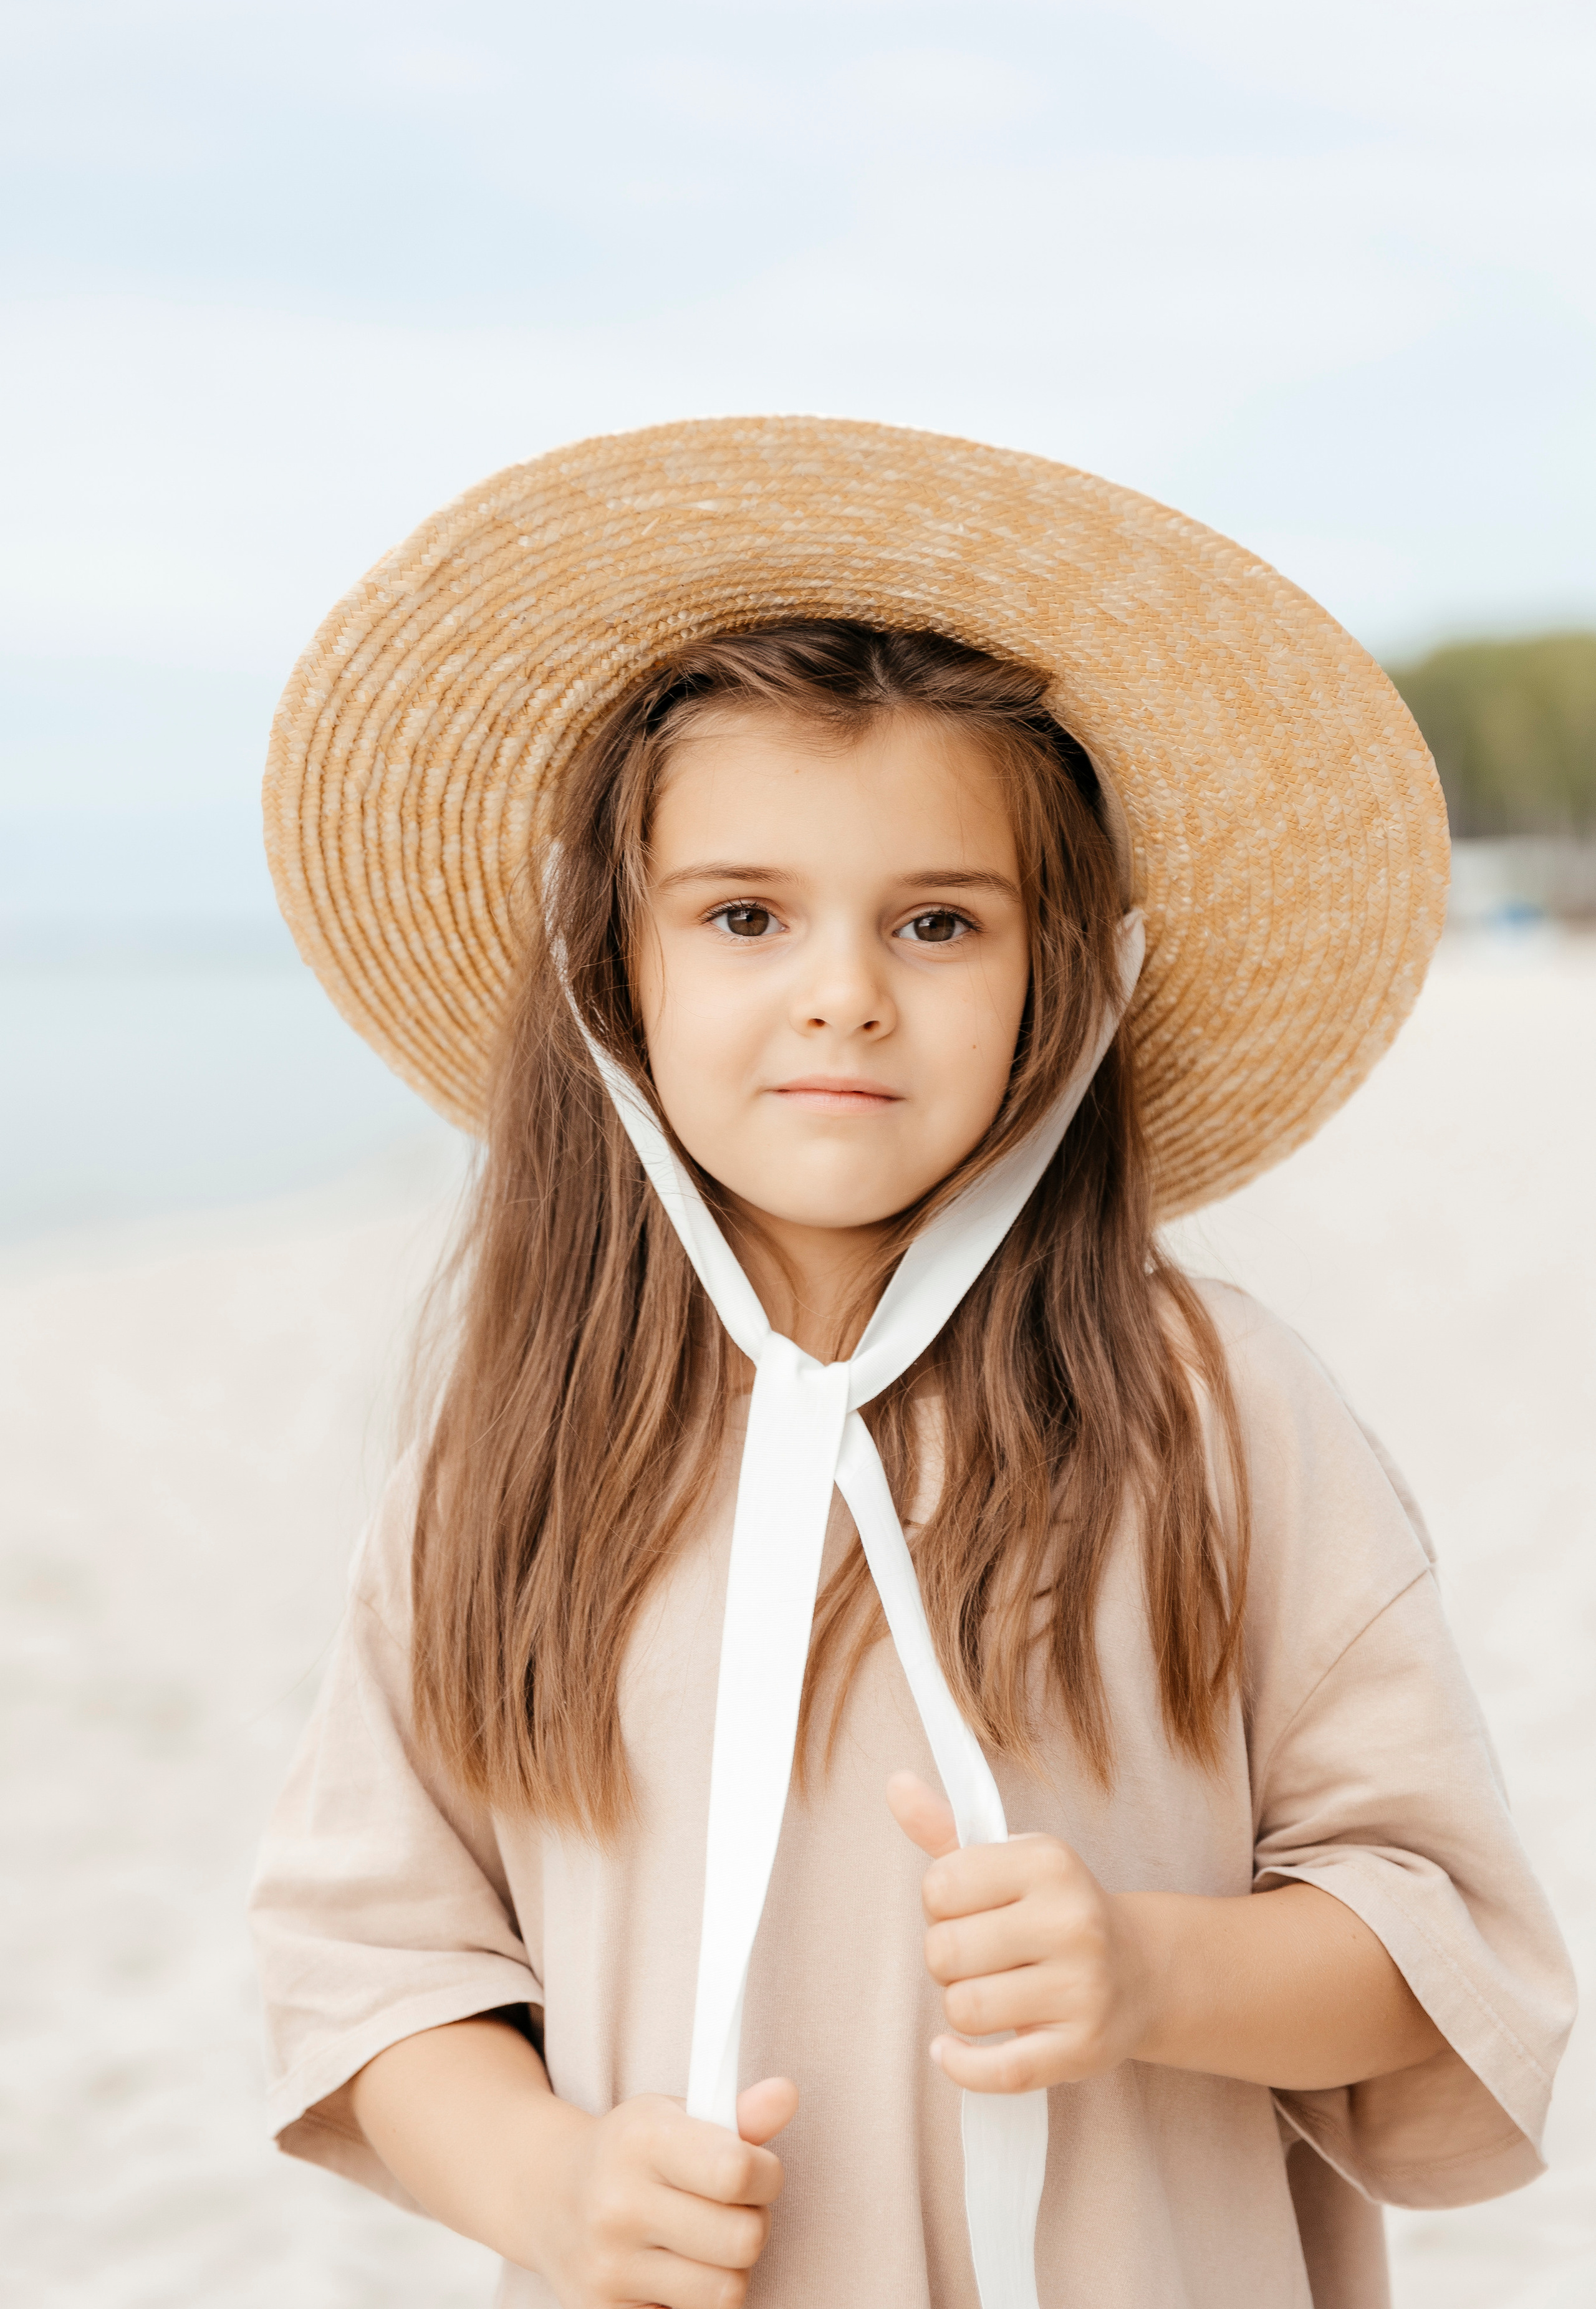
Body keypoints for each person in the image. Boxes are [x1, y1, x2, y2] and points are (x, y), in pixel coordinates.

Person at [250, 418, 1574, 2309]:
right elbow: (370, 1965)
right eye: (744, 915)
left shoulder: (1215, 1407)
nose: (844, 989)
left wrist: (1151, 1972)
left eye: (939, 921)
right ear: (611, 970)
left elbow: (1447, 1946)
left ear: (1066, 978)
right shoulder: (514, 1444)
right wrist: (546, 2185)